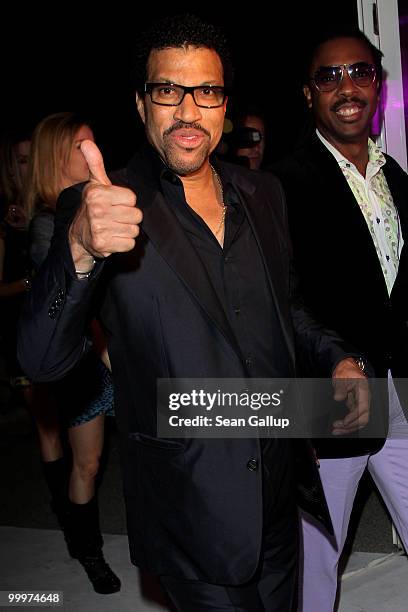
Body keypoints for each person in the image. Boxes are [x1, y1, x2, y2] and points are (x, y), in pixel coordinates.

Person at [18, 15, 369, 611]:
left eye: (205, 91)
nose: (187, 110)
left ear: (223, 104)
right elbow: (41, 359)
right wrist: (79, 250)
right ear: (141, 103)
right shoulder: (101, 205)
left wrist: (335, 357)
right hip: (190, 508)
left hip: (282, 496)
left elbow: (287, 309)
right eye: (167, 91)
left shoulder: (263, 194)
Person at [272, 27, 408, 612]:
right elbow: (285, 296)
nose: (346, 86)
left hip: (399, 388)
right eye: (329, 76)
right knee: (317, 556)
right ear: (309, 94)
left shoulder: (395, 176)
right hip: (332, 393)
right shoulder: (282, 184)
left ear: (378, 86)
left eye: (360, 72)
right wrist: (338, 357)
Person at [24, 112, 120, 595]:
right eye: (81, 145)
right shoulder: (47, 223)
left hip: (103, 355)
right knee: (78, 460)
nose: (92, 152)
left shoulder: (101, 207)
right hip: (73, 361)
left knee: (95, 461)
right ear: (57, 156)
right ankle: (88, 550)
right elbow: (63, 299)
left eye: (93, 141)